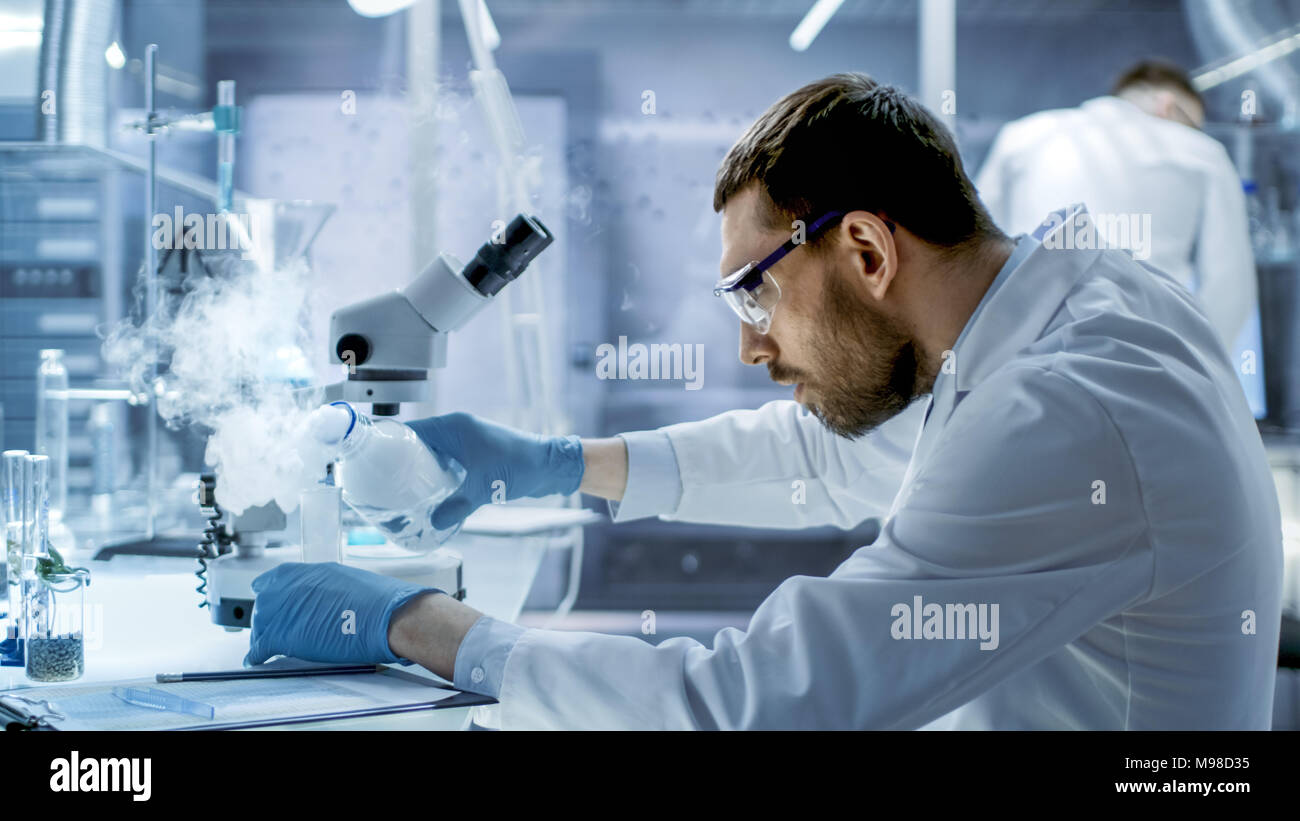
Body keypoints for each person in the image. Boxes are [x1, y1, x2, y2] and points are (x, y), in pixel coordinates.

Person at [245, 73, 1282, 730]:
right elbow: (827, 457)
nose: (749, 344)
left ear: (867, 248)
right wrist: (555, 460)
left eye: (758, 291)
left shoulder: (1060, 414)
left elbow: (741, 707)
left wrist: (410, 620)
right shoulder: (1062, 313)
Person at [974, 59, 1256, 353]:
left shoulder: (1022, 136)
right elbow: (1229, 284)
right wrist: (1202, 368)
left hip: (1029, 353)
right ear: (1168, 105)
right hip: (1147, 355)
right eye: (1192, 124)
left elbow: (981, 251)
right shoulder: (1204, 153)